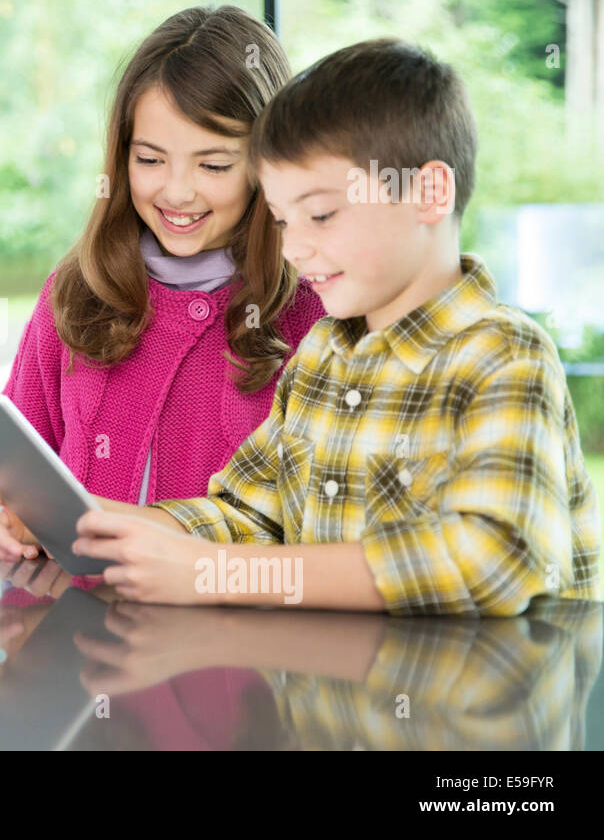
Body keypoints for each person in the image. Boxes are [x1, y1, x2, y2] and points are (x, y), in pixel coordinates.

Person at [62, 39, 601, 615]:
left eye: (320, 214)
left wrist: (219, 574)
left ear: (429, 193)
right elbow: (246, 515)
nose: (294, 247)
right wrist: (84, 520)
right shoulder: (321, 354)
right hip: (329, 701)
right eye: (282, 220)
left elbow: (491, 559)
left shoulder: (504, 357)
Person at [0, 5, 326, 576]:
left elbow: (312, 537)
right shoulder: (74, 292)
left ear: (266, 164)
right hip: (84, 647)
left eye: (213, 164)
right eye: (150, 159)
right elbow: (30, 477)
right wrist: (15, 515)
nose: (176, 192)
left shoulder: (315, 315)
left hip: (240, 652)